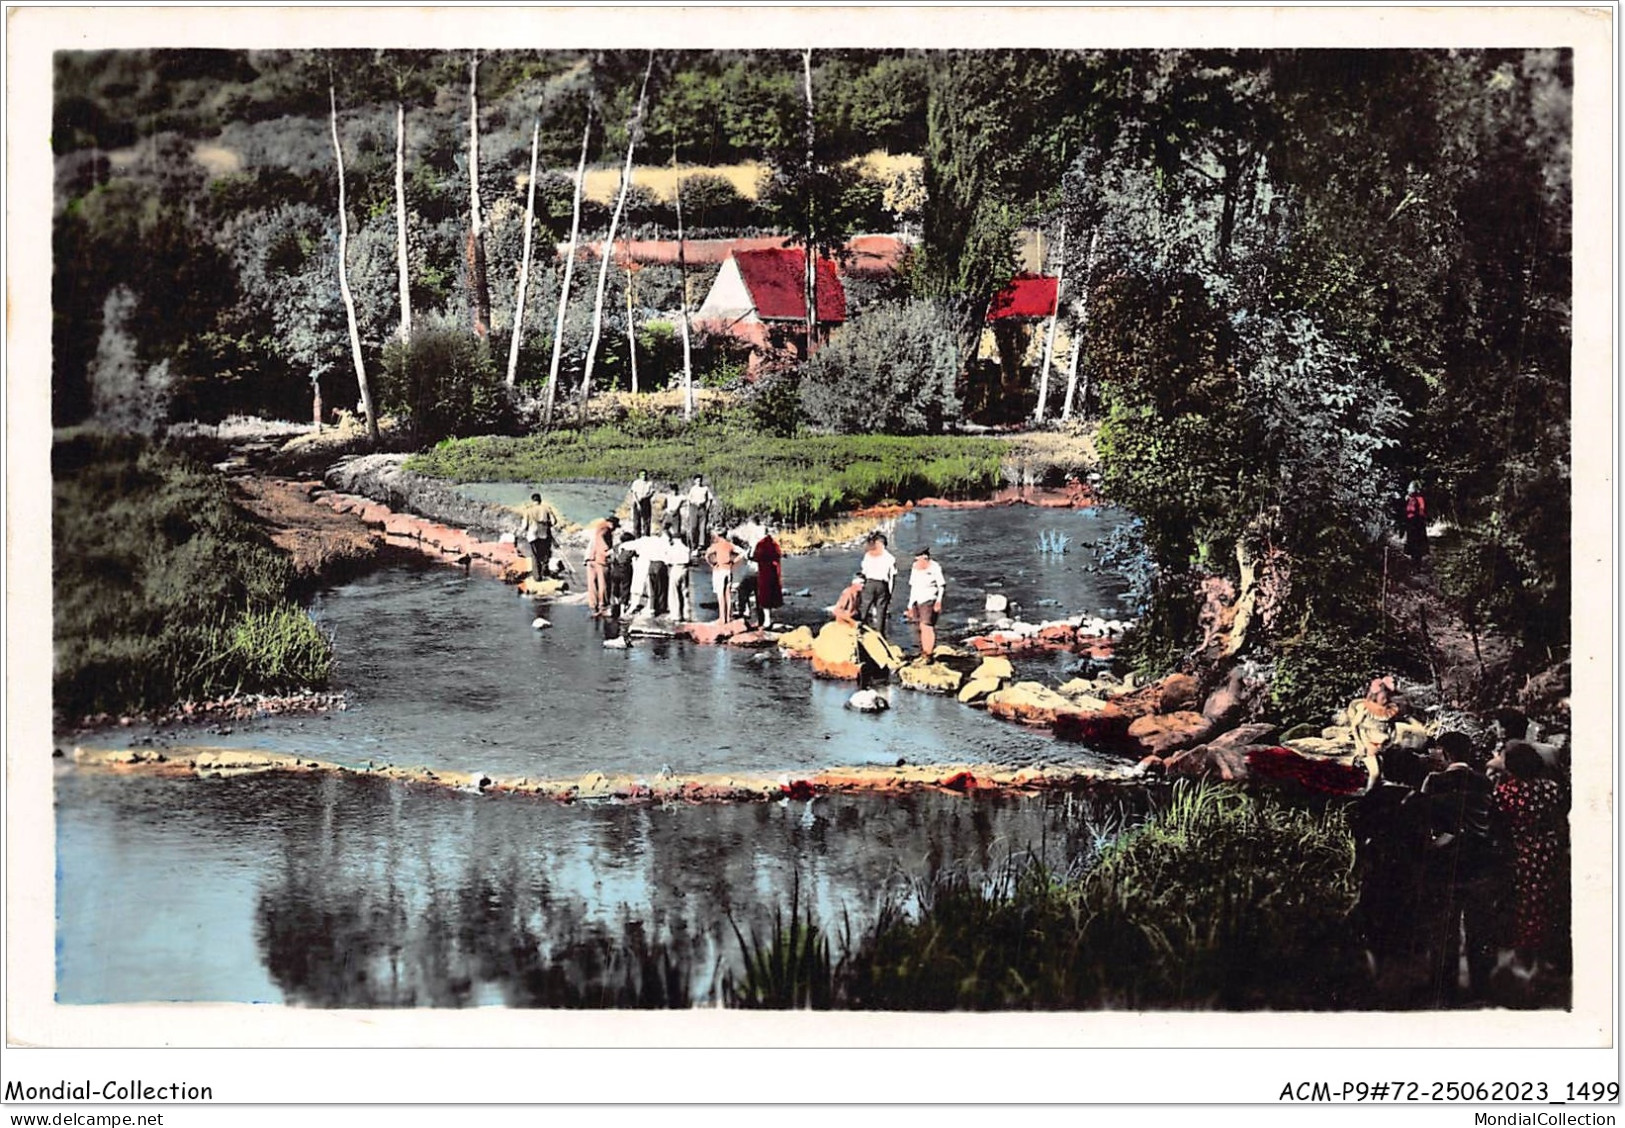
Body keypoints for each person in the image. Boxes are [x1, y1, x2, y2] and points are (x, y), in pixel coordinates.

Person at [1409, 731, 1499, 1002]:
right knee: (1479, 926)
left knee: (1443, 926)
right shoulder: (1485, 782)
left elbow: (1423, 817)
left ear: (1445, 753)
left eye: (1437, 751)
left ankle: (1443, 987)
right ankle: (1481, 988)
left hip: (1446, 860)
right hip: (1480, 861)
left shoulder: (1435, 780)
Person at [1490, 741, 1568, 975]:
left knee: (1524, 906)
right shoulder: (1551, 788)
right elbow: (1560, 820)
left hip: (1521, 853)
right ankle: (1544, 958)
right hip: (1549, 851)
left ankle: (1525, 960)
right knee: (1546, 903)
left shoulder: (1505, 793)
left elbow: (1498, 828)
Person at [904, 546, 947, 660]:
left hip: (930, 599)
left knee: (927, 626)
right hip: (918, 600)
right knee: (921, 627)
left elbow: (941, 585)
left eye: (919, 558)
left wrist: (939, 601)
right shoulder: (915, 567)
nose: (917, 561)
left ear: (925, 556)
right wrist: (909, 605)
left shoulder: (934, 567)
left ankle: (929, 652)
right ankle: (925, 650)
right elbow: (913, 586)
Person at [857, 532, 897, 636]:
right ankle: (880, 635)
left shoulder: (868, 555)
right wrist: (890, 592)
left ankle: (860, 631)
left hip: (869, 583)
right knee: (881, 613)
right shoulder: (890, 558)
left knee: (864, 609)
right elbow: (892, 578)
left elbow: (864, 571)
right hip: (882, 585)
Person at [703, 530, 747, 624]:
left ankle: (722, 618)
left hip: (719, 570)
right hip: (728, 569)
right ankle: (728, 617)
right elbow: (742, 553)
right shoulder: (729, 545)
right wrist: (734, 561)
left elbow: (707, 556)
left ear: (718, 536)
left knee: (720, 595)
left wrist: (712, 564)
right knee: (727, 594)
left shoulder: (715, 545)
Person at [749, 524, 784, 629]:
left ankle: (766, 621)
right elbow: (778, 555)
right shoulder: (774, 543)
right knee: (770, 596)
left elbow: (755, 557)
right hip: (774, 573)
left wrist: (750, 551)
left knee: (764, 597)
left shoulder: (761, 544)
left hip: (764, 573)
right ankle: (767, 619)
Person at [584, 515, 619, 617]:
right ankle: (602, 606)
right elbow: (601, 538)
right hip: (600, 559)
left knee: (592, 585)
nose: (615, 530)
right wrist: (607, 551)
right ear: (611, 524)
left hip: (590, 558)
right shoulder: (605, 529)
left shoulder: (597, 527)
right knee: (603, 584)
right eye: (615, 527)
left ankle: (593, 607)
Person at [519, 493, 558, 581]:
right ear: (540, 500)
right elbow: (554, 521)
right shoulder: (547, 509)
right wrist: (547, 525)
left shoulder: (528, 511)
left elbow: (524, 526)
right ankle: (545, 573)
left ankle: (537, 577)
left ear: (532, 500)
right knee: (545, 554)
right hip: (544, 534)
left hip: (532, 535)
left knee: (535, 555)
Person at [659, 522, 693, 622]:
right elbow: (689, 560)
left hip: (675, 569)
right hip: (685, 569)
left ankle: (676, 615)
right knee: (685, 592)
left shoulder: (672, 548)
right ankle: (686, 613)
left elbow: (667, 561)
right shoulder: (686, 548)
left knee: (674, 593)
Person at [609, 530, 636, 616]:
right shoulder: (630, 548)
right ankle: (622, 611)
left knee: (615, 587)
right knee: (625, 588)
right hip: (625, 569)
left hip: (615, 569)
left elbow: (607, 553)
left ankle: (615, 606)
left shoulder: (616, 546)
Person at [684, 475, 715, 550]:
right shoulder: (693, 489)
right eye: (697, 481)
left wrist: (707, 508)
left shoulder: (705, 489)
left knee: (702, 527)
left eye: (700, 480)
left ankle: (701, 545)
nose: (699, 482)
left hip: (702, 508)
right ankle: (694, 543)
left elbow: (710, 498)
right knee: (693, 527)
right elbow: (688, 500)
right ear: (694, 481)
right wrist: (688, 511)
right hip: (694, 508)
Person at [626, 470, 657, 538]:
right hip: (637, 502)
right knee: (636, 521)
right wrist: (637, 503)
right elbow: (634, 493)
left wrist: (644, 498)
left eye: (645, 474)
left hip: (646, 502)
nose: (644, 476)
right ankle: (637, 536)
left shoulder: (650, 483)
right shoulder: (636, 483)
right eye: (642, 474)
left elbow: (651, 493)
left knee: (646, 520)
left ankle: (646, 536)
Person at [1404, 480, 1429, 562]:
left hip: (1417, 523)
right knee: (1412, 541)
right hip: (1411, 523)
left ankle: (1417, 562)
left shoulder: (1419, 499)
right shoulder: (1408, 498)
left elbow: (1421, 511)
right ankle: (1413, 560)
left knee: (1417, 543)